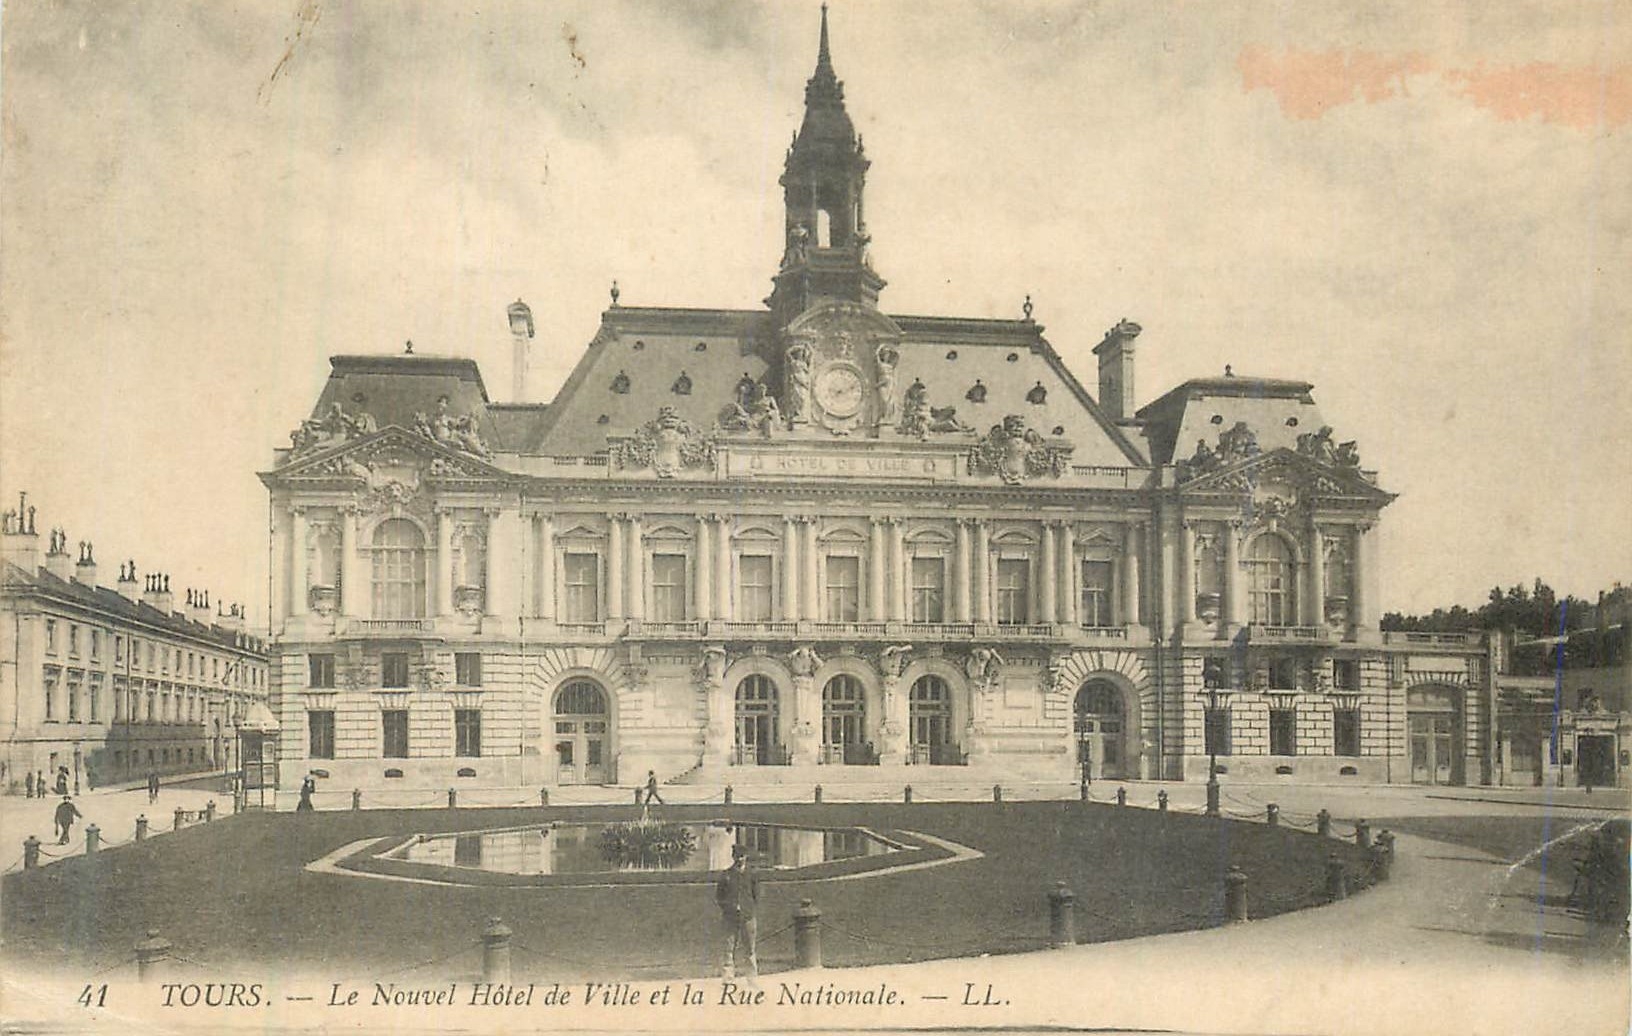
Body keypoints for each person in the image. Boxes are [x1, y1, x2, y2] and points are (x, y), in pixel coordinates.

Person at [715, 845, 760, 979]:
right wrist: (729, 908)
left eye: (742, 856)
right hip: (730, 917)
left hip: (748, 917)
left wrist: (748, 909)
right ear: (733, 857)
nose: (739, 859)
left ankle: (752, 978)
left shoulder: (751, 874)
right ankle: (728, 980)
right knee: (728, 949)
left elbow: (756, 895)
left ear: (746, 857)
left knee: (750, 949)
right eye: (737, 856)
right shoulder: (726, 875)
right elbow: (719, 896)